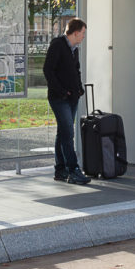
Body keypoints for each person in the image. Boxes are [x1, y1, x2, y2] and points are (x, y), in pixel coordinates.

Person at [43, 18, 90, 185]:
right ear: (75, 32)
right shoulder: (58, 45)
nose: (84, 36)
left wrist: (79, 88)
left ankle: (60, 170)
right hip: (59, 98)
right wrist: (62, 91)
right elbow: (48, 70)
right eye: (83, 33)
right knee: (68, 134)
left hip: (72, 97)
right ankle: (73, 170)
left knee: (62, 133)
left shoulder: (74, 49)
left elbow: (76, 70)